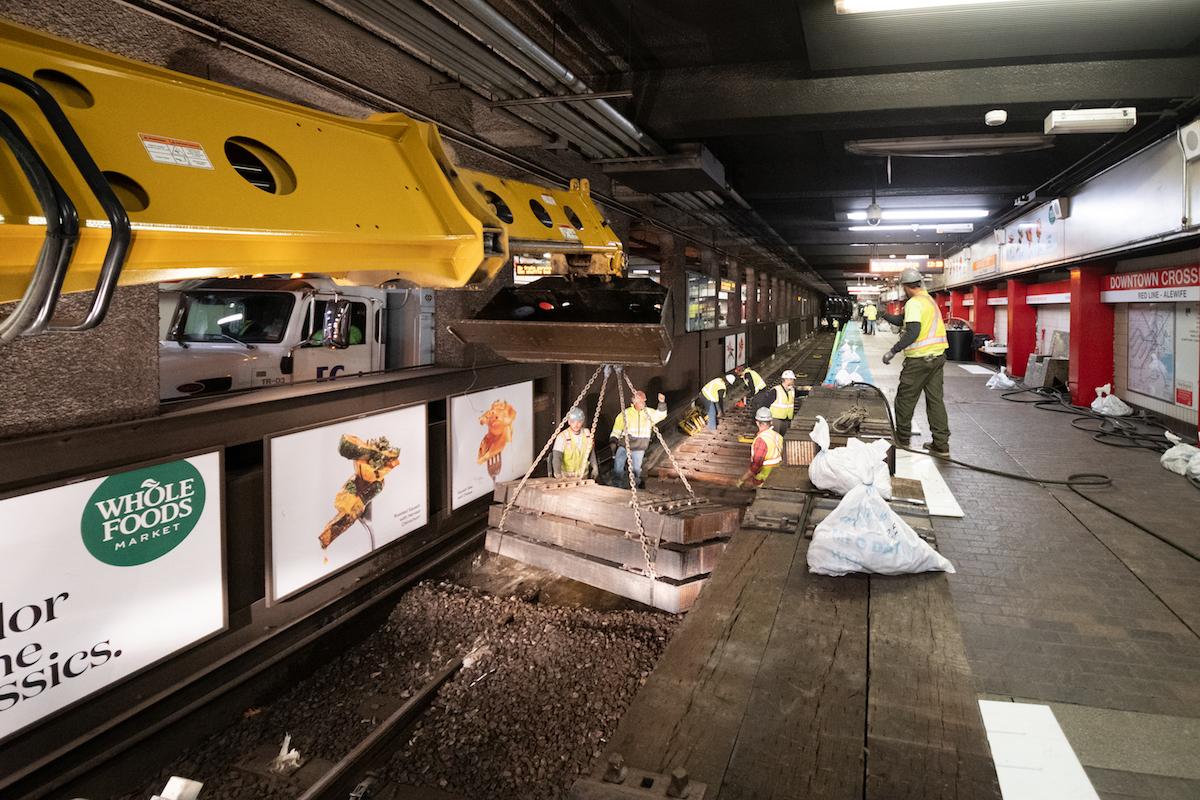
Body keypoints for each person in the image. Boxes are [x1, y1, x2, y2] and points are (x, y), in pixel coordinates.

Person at [879, 267, 950, 457]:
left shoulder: (914, 303)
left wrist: (892, 351)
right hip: (937, 359)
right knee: (935, 401)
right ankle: (941, 445)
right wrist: (883, 314)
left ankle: (902, 440)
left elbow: (913, 332)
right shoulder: (929, 301)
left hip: (919, 361)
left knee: (904, 400)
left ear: (906, 286)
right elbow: (901, 321)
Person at [609, 389, 668, 488]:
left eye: (644, 401)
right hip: (625, 445)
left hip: (639, 447)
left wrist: (662, 403)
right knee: (618, 467)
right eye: (641, 401)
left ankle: (635, 487)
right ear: (634, 402)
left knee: (636, 470)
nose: (643, 403)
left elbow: (661, 415)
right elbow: (617, 429)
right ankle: (617, 486)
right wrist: (613, 440)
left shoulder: (648, 412)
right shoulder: (625, 414)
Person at [737, 407, 784, 488]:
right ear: (771, 422)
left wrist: (742, 479)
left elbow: (756, 466)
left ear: (757, 423)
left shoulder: (761, 440)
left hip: (763, 477)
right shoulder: (777, 436)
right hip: (776, 474)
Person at [551, 406, 599, 479]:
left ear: (582, 422)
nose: (576, 425)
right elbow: (557, 457)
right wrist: (558, 474)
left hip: (583, 477)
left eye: (579, 422)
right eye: (573, 422)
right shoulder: (562, 437)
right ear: (569, 422)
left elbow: (591, 453)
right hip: (566, 479)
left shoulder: (587, 434)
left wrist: (595, 467)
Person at [769, 369, 796, 434]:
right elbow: (766, 403)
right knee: (775, 437)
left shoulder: (791, 390)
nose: (793, 381)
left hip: (786, 420)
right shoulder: (776, 390)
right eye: (792, 379)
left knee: (781, 439)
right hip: (775, 420)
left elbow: (798, 393)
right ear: (786, 379)